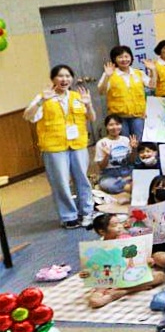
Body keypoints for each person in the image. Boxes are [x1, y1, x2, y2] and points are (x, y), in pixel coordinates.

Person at [25, 65, 96, 229]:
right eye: (60, 76)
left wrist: (89, 104)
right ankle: (69, 216)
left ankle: (87, 212)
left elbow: (92, 118)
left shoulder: (77, 96)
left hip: (77, 144)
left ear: (72, 78)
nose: (64, 79)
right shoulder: (43, 97)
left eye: (68, 76)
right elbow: (28, 116)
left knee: (83, 179)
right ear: (53, 79)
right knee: (61, 183)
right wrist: (42, 101)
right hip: (54, 147)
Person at [79, 213, 165, 308]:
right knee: (94, 301)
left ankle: (124, 292)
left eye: (119, 223)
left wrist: (148, 261)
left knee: (161, 276)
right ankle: (127, 290)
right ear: (102, 232)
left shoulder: (127, 239)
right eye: (115, 225)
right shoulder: (97, 248)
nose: (120, 226)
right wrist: (87, 273)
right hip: (109, 281)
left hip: (131, 277)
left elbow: (139, 257)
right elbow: (93, 268)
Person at [98, 46, 147, 138]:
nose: (124, 59)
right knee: (123, 141)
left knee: (139, 140)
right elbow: (101, 91)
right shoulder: (109, 74)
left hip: (138, 115)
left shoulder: (138, 73)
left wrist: (153, 70)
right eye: (120, 57)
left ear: (131, 57)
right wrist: (107, 76)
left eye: (126, 56)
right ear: (114, 59)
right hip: (118, 117)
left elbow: (152, 85)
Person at [94, 115, 132, 195]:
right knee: (110, 185)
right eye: (111, 125)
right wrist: (107, 155)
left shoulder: (126, 140)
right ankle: (128, 186)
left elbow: (131, 161)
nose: (115, 127)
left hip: (126, 171)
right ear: (106, 127)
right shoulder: (101, 143)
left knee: (142, 177)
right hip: (109, 174)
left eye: (117, 124)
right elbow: (101, 167)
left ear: (121, 125)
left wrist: (134, 149)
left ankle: (124, 184)